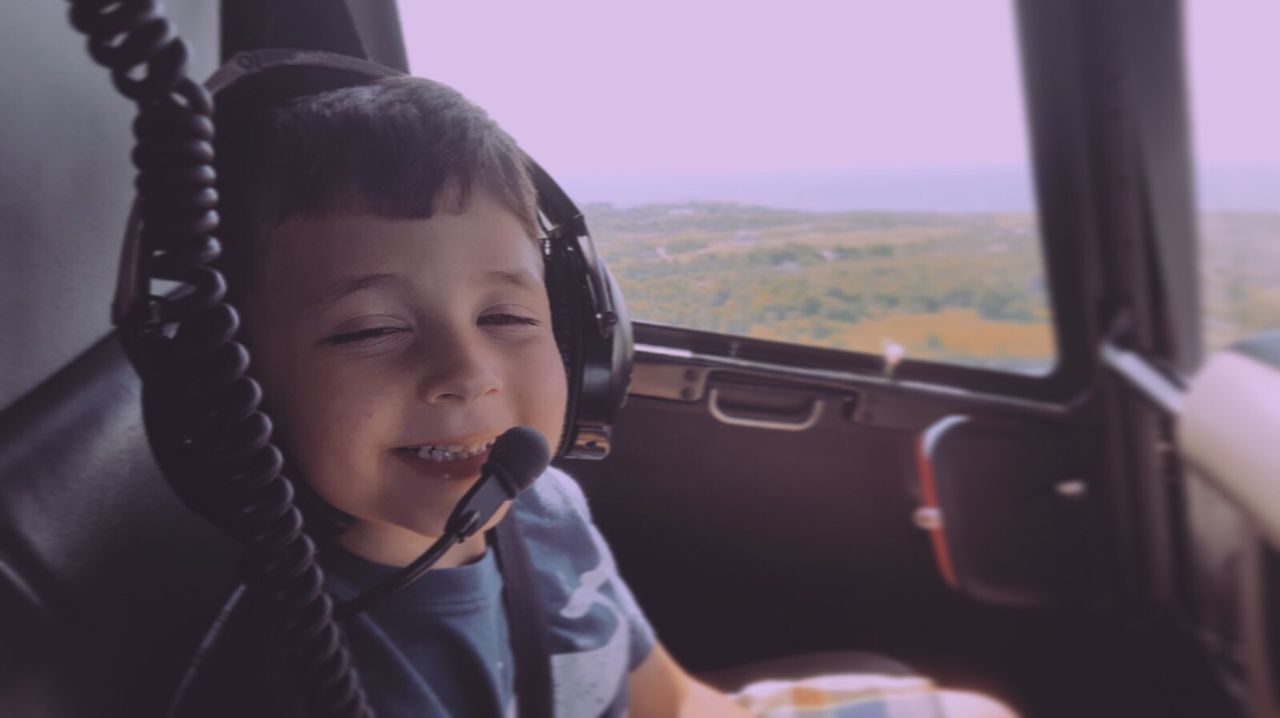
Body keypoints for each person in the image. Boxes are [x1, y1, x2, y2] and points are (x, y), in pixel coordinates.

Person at [172, 70, 1015, 717]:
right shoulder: (296, 674)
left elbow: (673, 700)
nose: (467, 372)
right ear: (229, 385)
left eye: (506, 314)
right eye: (366, 330)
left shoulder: (542, 507)